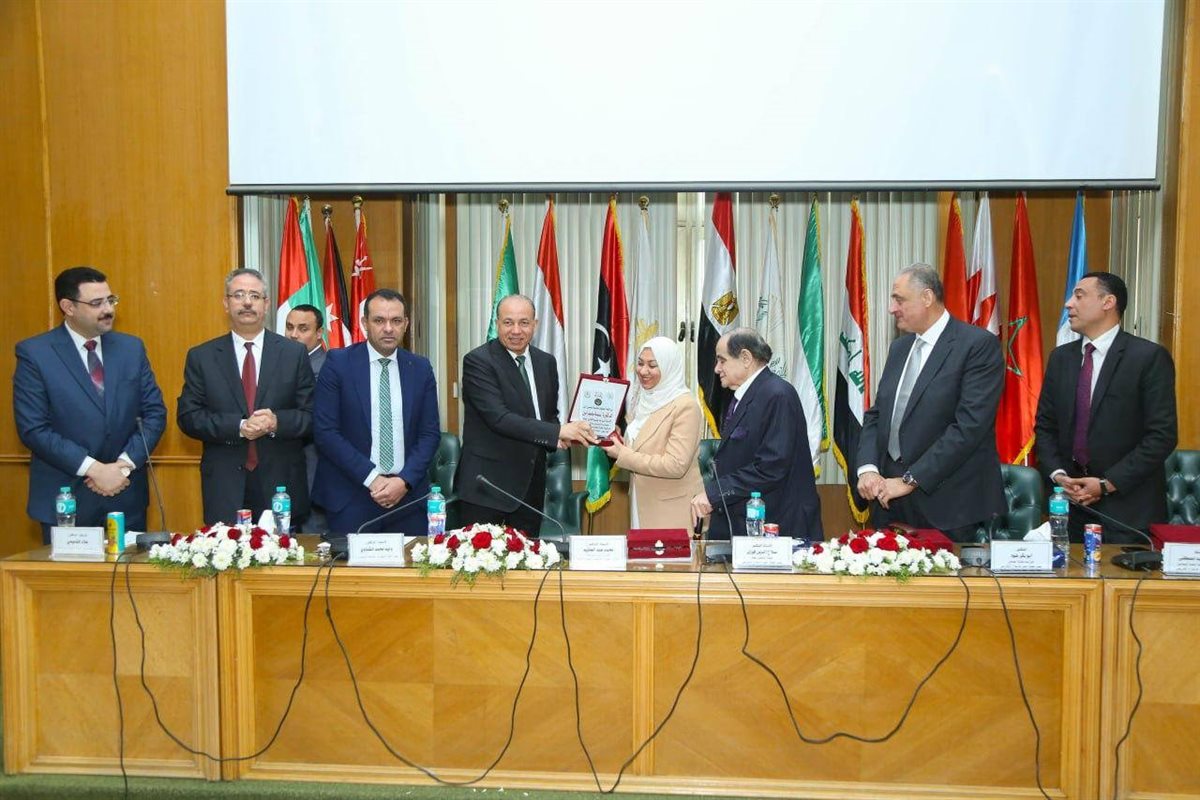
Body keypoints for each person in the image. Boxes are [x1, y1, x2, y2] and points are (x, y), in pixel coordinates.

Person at [14, 267, 168, 542]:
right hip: (67, 499)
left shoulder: (131, 348)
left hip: (126, 494)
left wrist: (122, 467)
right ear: (68, 307)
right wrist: (95, 470)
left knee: (128, 571)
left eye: (110, 300)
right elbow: (34, 429)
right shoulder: (35, 354)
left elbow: (154, 413)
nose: (108, 309)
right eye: (96, 303)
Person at [855, 263, 1005, 540]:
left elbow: (969, 427)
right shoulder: (899, 348)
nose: (891, 308)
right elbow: (877, 415)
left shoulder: (976, 345)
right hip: (888, 500)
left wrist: (910, 480)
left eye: (899, 300)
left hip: (947, 504)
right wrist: (868, 469)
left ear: (927, 297)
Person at [1035, 272, 1177, 541]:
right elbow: (1045, 426)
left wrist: (1107, 483)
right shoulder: (1061, 358)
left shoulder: (1148, 357)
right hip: (1069, 507)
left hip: (1128, 511)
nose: (1068, 304)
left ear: (1108, 302)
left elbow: (1162, 435)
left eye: (1079, 296)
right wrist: (1059, 476)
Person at [177, 268, 314, 526]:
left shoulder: (293, 354)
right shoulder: (202, 356)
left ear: (266, 304)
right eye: (238, 295)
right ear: (226, 303)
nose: (247, 302)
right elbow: (189, 416)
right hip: (224, 486)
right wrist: (238, 426)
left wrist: (276, 422)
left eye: (254, 295)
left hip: (280, 485)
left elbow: (311, 415)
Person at [456, 294, 597, 536]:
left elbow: (548, 415)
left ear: (535, 324)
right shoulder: (478, 361)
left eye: (524, 322)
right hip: (487, 489)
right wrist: (557, 431)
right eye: (508, 322)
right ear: (497, 324)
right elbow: (499, 418)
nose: (516, 330)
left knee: (529, 557)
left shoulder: (546, 362)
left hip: (530, 490)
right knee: (482, 559)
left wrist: (561, 436)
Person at [312, 289, 441, 534]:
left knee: (411, 561)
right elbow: (326, 432)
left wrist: (404, 481)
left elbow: (430, 434)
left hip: (407, 497)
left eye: (396, 321)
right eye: (379, 320)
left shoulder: (420, 368)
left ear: (406, 324)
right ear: (364, 323)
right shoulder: (338, 363)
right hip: (351, 495)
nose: (388, 328)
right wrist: (373, 478)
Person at [689, 328, 822, 542]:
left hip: (776, 527)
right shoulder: (747, 395)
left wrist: (715, 494)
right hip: (745, 524)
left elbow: (771, 467)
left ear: (746, 358)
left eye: (722, 361)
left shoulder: (778, 395)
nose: (716, 369)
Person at [602, 337, 703, 529]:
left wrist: (623, 454)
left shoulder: (686, 406)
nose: (643, 371)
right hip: (641, 504)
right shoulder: (643, 399)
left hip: (671, 513)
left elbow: (675, 465)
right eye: (640, 363)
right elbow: (643, 447)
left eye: (652, 365)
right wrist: (619, 441)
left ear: (669, 367)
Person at [285, 304, 328, 533]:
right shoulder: (281, 362)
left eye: (303, 328)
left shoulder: (327, 367)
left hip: (313, 468)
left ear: (319, 333)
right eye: (289, 327)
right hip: (283, 466)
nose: (294, 335)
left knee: (313, 539)